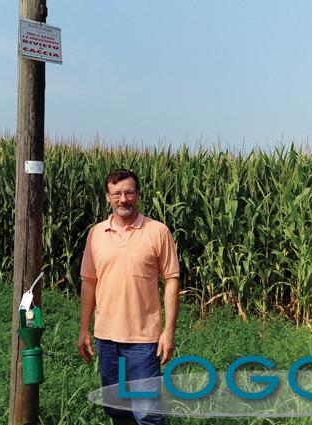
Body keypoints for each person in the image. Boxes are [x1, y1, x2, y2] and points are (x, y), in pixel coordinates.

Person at [78, 169, 180, 425]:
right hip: (106, 339)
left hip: (143, 341)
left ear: (138, 195)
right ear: (107, 197)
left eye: (129, 193)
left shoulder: (157, 231)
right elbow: (89, 282)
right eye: (117, 194)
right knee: (117, 409)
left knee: (148, 413)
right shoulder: (96, 234)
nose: (123, 199)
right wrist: (84, 330)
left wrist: (168, 331)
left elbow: (171, 280)